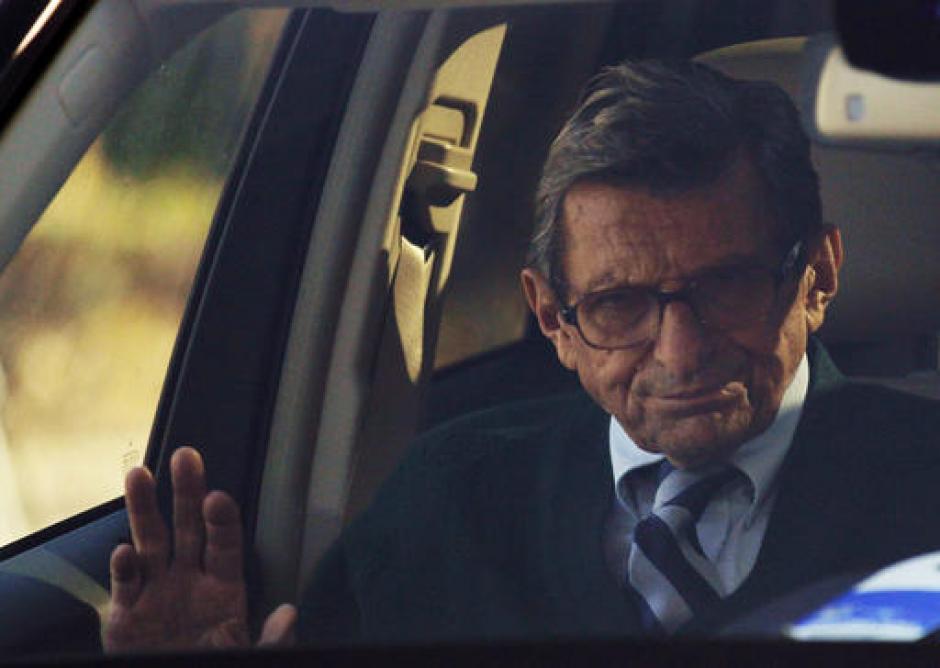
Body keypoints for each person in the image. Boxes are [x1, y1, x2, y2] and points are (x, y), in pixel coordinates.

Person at [103, 60, 940, 651]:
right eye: (619, 305)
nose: (680, 353)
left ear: (819, 276)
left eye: (726, 286)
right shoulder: (445, 499)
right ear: (552, 318)